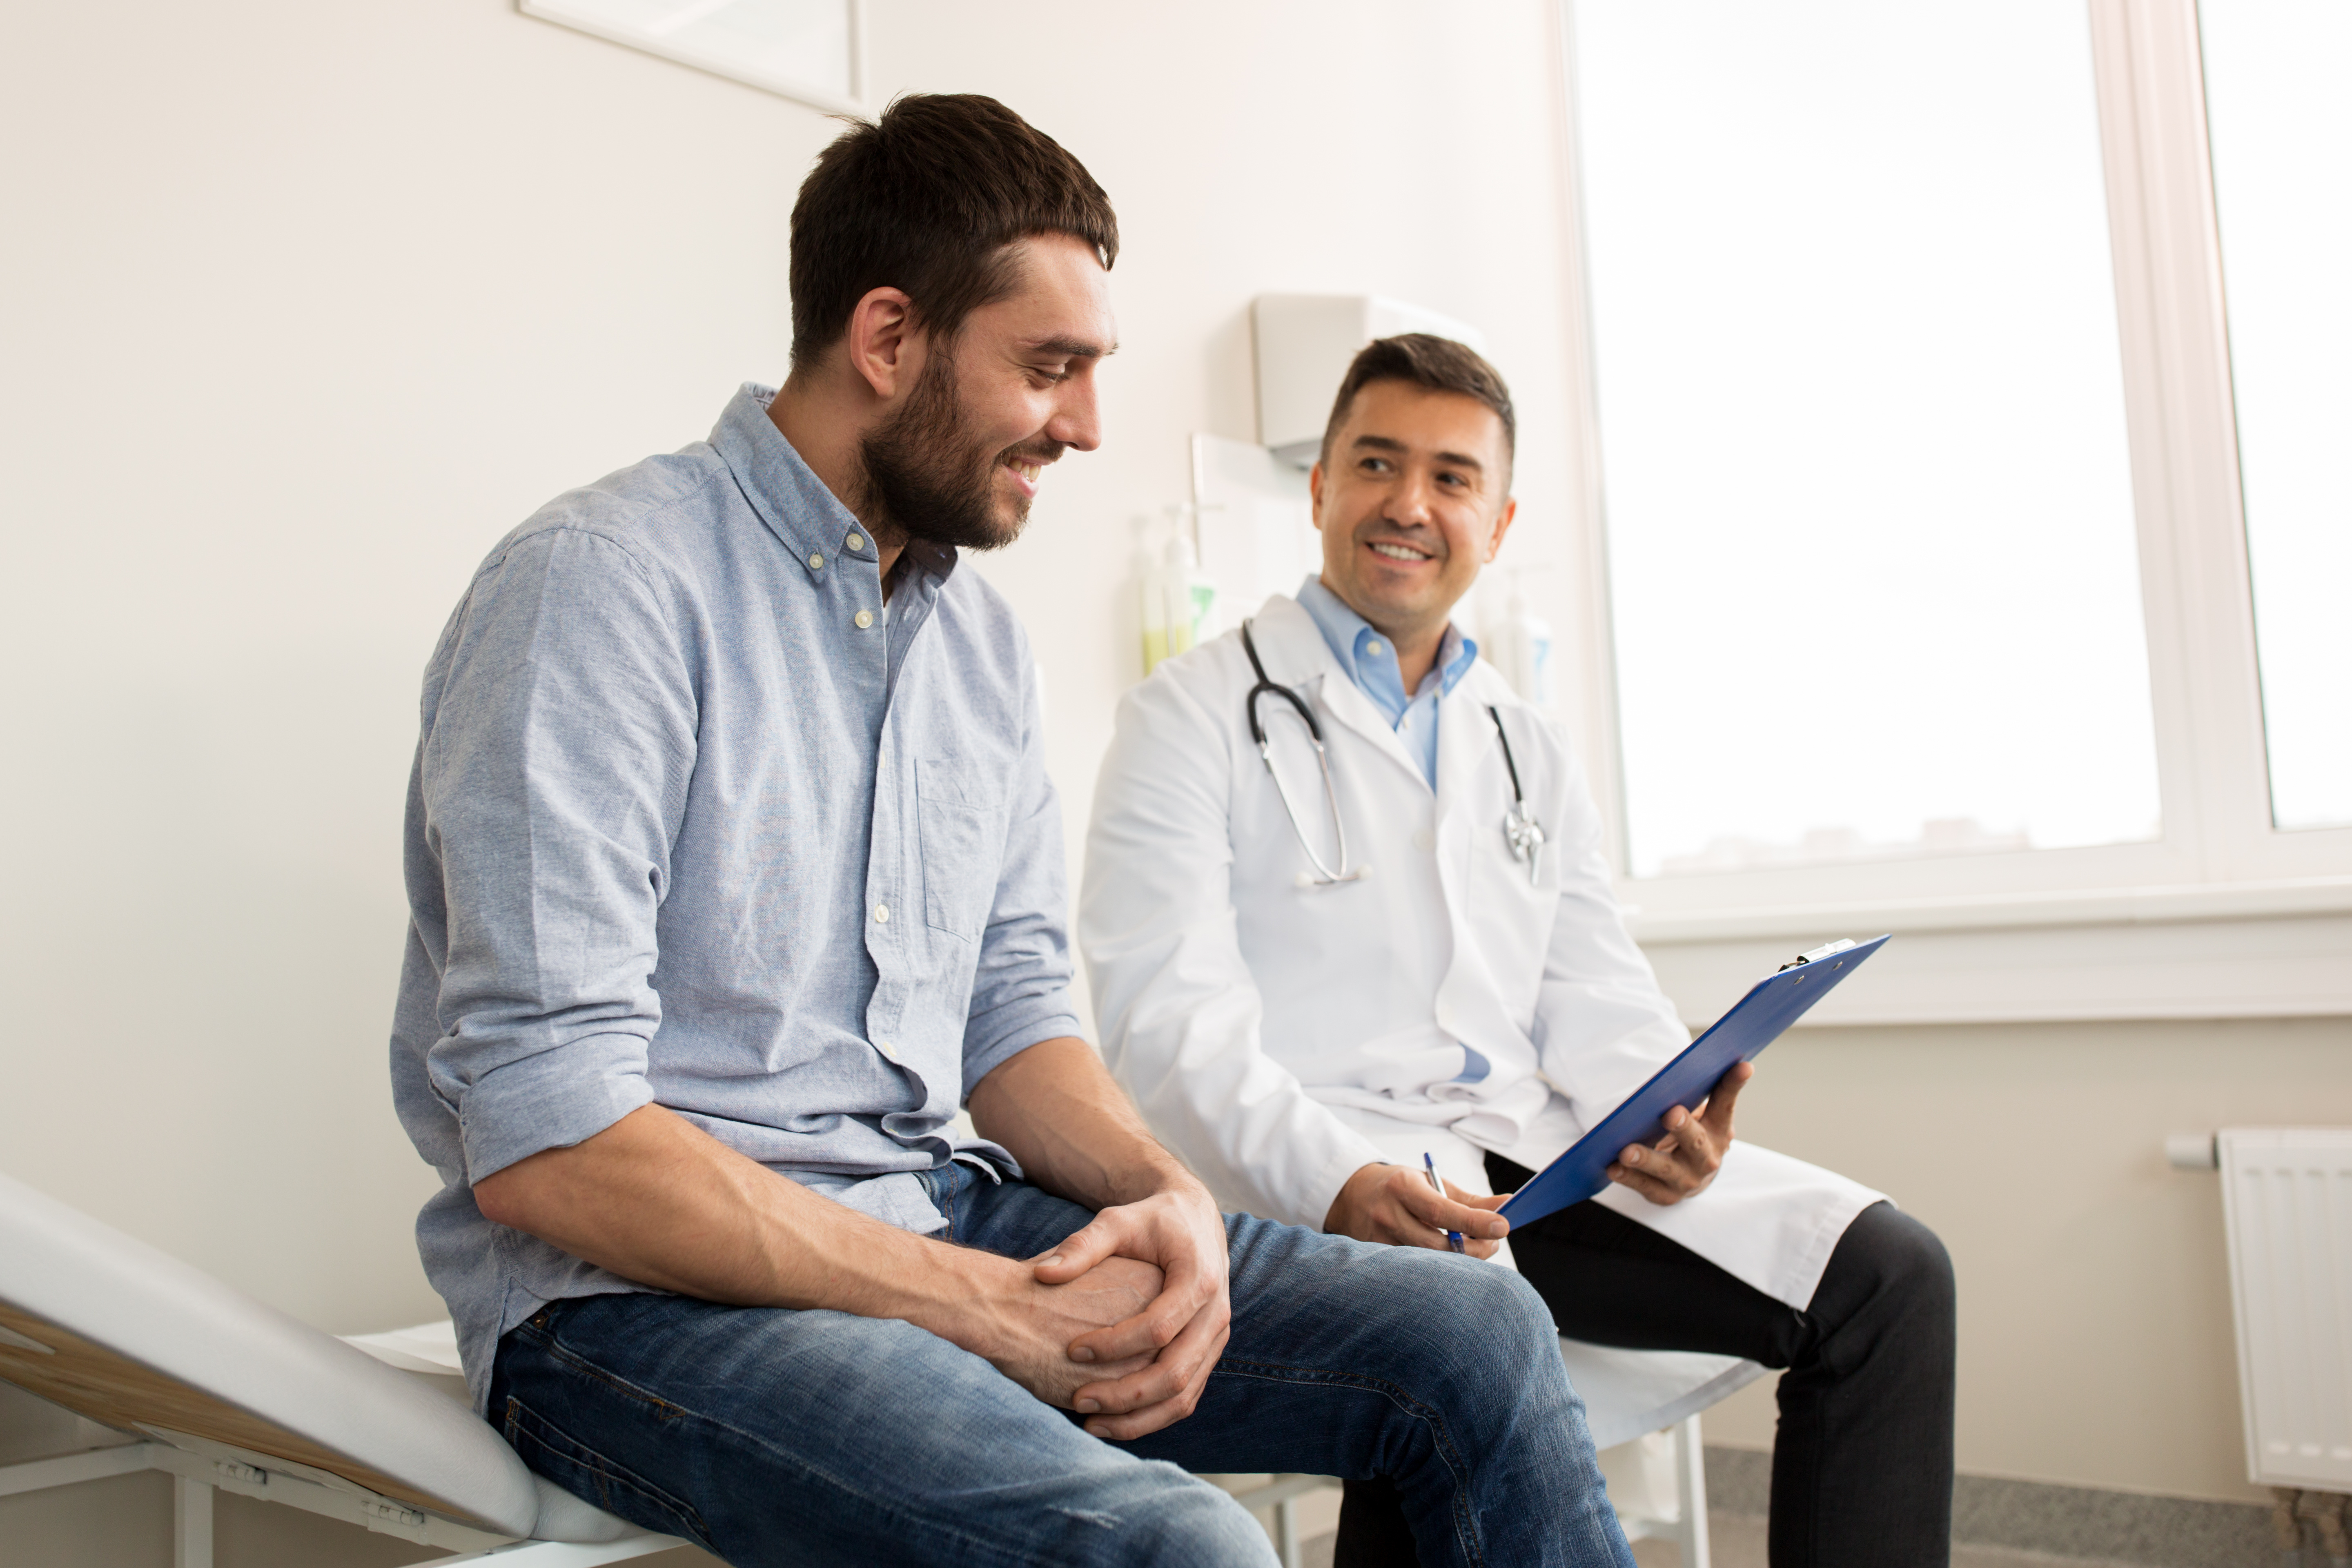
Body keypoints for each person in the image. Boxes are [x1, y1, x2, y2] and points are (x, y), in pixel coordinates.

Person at [389, 97, 1635, 1568]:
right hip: (631, 1303)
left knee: (1475, 1331)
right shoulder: (601, 591)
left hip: (935, 1209)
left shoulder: (974, 647)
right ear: (890, 338)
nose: (1089, 426)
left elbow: (1014, 1023)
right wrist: (975, 1305)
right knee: (1186, 1549)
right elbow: (554, 1147)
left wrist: (1168, 1198)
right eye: (1050, 370)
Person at [1080, 334, 1958, 1568]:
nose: (1409, 503)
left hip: (1533, 1164)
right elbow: (1165, 1025)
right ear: (1321, 487)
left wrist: (1669, 1109)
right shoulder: (1188, 718)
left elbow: (1592, 986)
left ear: (1496, 522)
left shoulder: (1523, 743)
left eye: (1451, 478)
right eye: (1377, 463)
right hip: (1320, 1173)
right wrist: (1333, 1179)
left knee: (1888, 1277)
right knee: (1451, 1344)